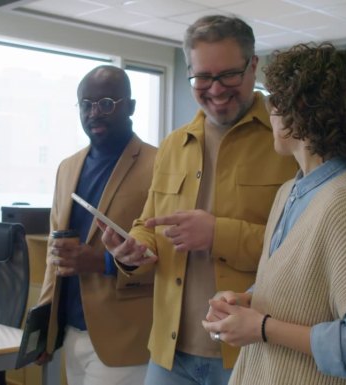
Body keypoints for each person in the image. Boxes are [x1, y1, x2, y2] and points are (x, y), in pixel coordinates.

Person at [100, 15, 298, 385]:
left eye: (229, 75)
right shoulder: (174, 144)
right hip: (169, 353)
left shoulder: (288, 141)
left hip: (251, 352)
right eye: (203, 78)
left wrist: (216, 234)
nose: (217, 90)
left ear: (253, 66)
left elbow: (302, 250)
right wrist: (132, 249)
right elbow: (149, 223)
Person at [201, 42, 346, 385]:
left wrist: (262, 328)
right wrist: (246, 300)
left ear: (306, 112)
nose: (269, 109)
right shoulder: (290, 192)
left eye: (276, 100)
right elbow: (305, 293)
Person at [35, 65, 157, 385]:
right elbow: (55, 253)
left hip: (124, 337)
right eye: (86, 105)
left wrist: (102, 262)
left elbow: (172, 256)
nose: (94, 113)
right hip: (72, 331)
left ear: (130, 107)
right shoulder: (67, 167)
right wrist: (44, 325)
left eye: (105, 103)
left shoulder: (159, 165)